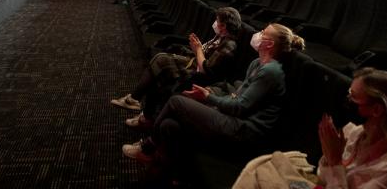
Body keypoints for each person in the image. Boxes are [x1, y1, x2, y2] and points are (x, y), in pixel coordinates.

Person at [122, 24, 305, 168]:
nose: (259, 33)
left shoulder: (271, 71)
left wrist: (208, 97)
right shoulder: (257, 63)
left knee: (177, 102)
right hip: (234, 118)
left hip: (244, 130)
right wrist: (214, 101)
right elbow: (237, 97)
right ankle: (166, 165)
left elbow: (240, 106)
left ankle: (147, 148)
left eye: (264, 32)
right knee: (171, 124)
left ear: (269, 44)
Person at [110, 7, 241, 127]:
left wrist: (198, 49)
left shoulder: (229, 45)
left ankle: (138, 106)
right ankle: (142, 111)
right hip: (194, 65)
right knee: (160, 66)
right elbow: (204, 55)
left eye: (217, 21)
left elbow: (205, 69)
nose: (215, 24)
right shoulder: (220, 37)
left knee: (161, 65)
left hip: (202, 78)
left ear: (223, 26)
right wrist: (197, 48)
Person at [317, 67, 387, 188]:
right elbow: (321, 179)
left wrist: (335, 162)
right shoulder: (351, 131)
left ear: (376, 110)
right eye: (349, 93)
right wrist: (329, 157)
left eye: (353, 96)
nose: (347, 100)